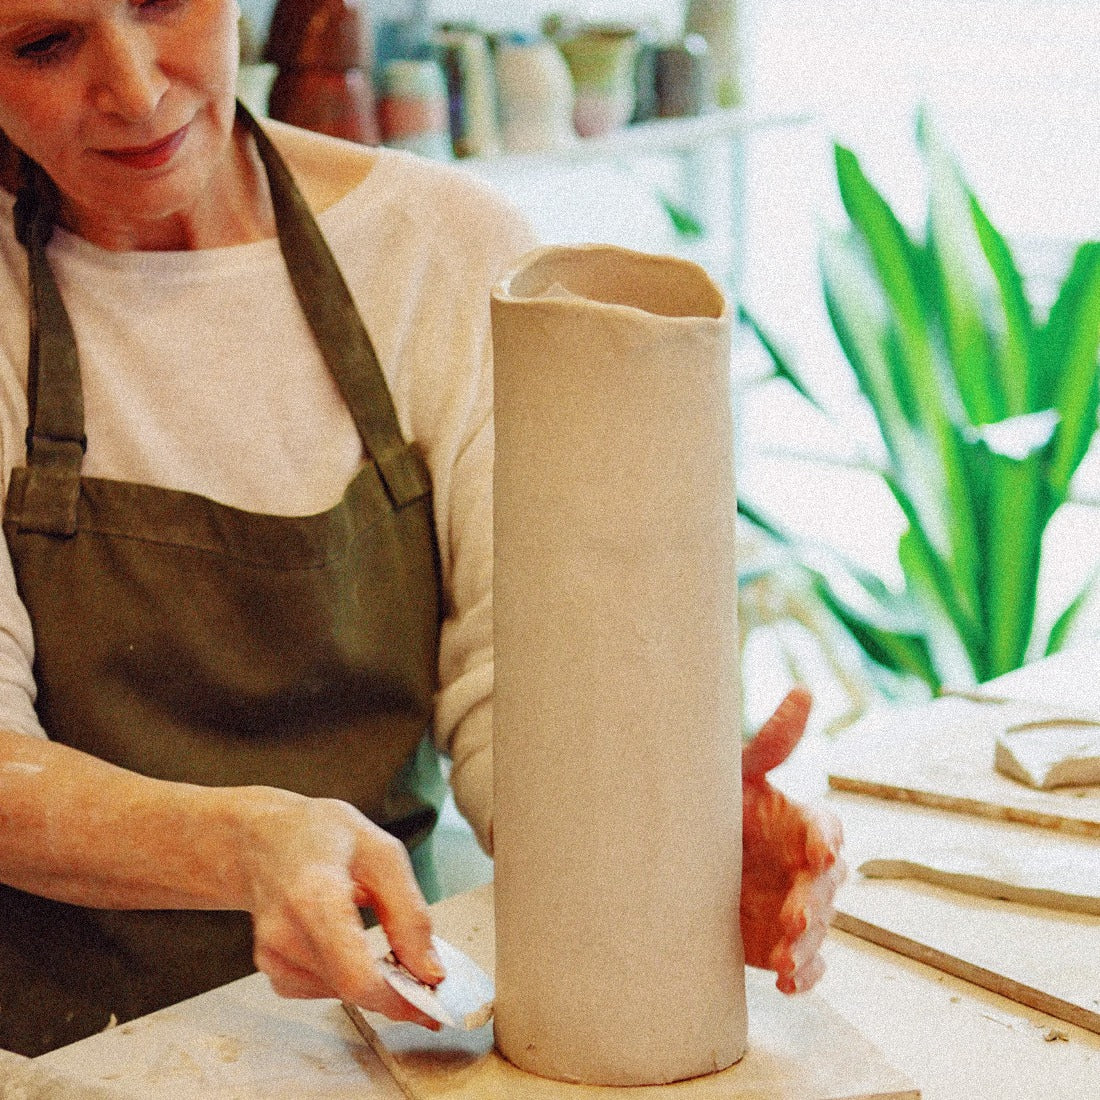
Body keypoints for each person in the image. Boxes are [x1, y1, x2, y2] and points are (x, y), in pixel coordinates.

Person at [0, 0, 844, 1059]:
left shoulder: (441, 250)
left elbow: (511, 679)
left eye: (162, 0)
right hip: (57, 1051)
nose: (133, 89)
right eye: (42, 44)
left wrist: (662, 847)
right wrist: (243, 843)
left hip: (389, 1022)